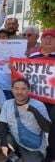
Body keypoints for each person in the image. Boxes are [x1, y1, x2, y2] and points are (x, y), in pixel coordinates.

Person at [0, 79, 51, 162]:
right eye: (16, 88)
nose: (19, 92)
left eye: (23, 89)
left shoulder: (39, 105)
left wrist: (33, 110)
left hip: (32, 144)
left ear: (29, 90)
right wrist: (4, 143)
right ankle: (13, 156)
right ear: (12, 90)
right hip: (15, 138)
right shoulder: (7, 104)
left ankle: (19, 155)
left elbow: (47, 128)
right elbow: (2, 124)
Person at [28, 29, 55, 162]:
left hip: (53, 102)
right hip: (35, 99)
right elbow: (22, 73)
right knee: (34, 124)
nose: (48, 40)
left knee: (52, 128)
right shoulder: (32, 57)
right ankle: (34, 149)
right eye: (46, 37)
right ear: (41, 40)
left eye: (52, 38)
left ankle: (51, 155)